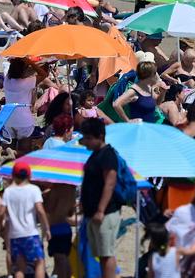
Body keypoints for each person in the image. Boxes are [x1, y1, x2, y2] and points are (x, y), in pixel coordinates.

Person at [80, 118, 122, 278]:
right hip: (93, 212)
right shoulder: (96, 154)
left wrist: (100, 210)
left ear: (100, 136)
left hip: (105, 213)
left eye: (88, 138)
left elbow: (109, 184)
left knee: (106, 254)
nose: (85, 142)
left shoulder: (108, 155)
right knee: (99, 253)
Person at [0, 162, 51, 278]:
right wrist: (46, 228)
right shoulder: (34, 189)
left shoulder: (8, 191)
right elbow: (40, 210)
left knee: (19, 266)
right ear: (29, 176)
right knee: (39, 261)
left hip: (14, 235)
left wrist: (0, 227)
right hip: (30, 233)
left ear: (13, 175)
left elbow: (1, 212)